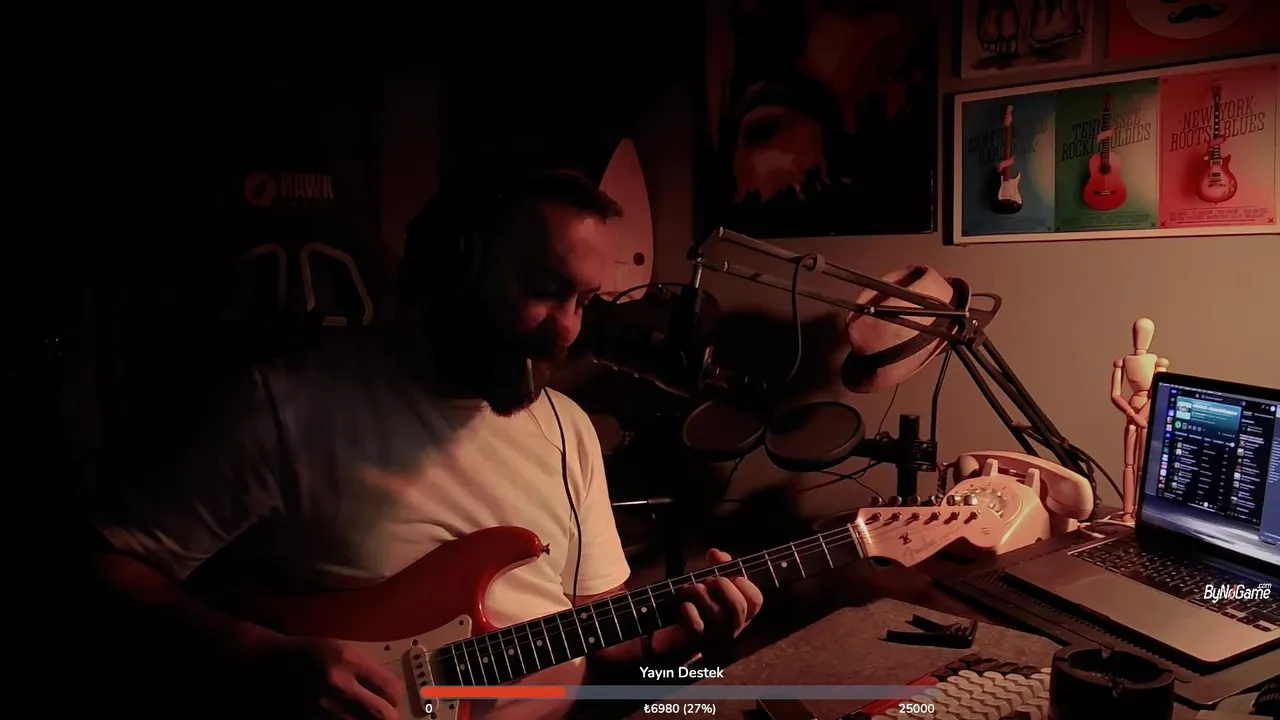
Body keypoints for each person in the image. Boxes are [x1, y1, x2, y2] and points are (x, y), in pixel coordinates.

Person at [81, 168, 764, 720]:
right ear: (453, 267)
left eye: (583, 301)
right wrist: (256, 655)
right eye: (542, 287)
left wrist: (677, 635)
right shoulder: (285, 409)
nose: (566, 330)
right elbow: (99, 566)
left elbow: (601, 633)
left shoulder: (567, 429)